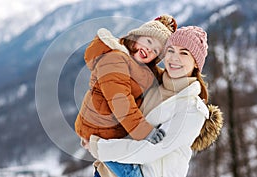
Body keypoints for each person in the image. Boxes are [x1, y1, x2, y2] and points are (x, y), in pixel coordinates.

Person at [87, 26, 224, 177]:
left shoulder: (193, 110)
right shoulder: (151, 83)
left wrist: (100, 147)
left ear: (196, 63)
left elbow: (152, 149)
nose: (174, 58)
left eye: (184, 53)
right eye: (170, 50)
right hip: (106, 171)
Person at [74, 14, 177, 176]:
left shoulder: (140, 66)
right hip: (101, 129)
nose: (150, 49)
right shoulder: (115, 59)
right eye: (149, 41)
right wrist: (145, 132)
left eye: (155, 50)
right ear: (135, 38)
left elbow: (162, 77)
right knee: (130, 173)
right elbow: (121, 102)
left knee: (107, 172)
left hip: (113, 130)